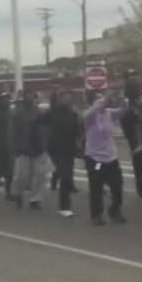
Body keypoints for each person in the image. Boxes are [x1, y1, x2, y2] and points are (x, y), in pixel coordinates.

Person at [83, 88, 128, 226]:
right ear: (92, 102)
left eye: (102, 97)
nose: (103, 101)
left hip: (111, 157)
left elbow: (122, 111)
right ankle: (96, 215)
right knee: (96, 186)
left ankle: (114, 210)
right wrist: (104, 100)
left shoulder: (109, 113)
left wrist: (123, 99)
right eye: (98, 98)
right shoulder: (90, 115)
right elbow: (88, 114)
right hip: (95, 159)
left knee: (117, 185)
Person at [45, 88, 83, 218]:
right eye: (65, 96)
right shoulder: (52, 112)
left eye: (69, 96)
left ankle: (56, 179)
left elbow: (77, 129)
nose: (68, 99)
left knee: (67, 175)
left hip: (69, 148)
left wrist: (79, 141)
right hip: (56, 148)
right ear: (59, 98)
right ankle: (64, 206)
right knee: (66, 175)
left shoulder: (72, 113)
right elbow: (38, 122)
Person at [9, 89, 48, 209]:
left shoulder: (39, 111)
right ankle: (17, 194)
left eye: (32, 95)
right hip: (23, 148)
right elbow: (13, 131)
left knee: (39, 175)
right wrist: (13, 147)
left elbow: (45, 126)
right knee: (21, 175)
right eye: (28, 95)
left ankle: (35, 199)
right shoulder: (18, 112)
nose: (31, 98)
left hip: (38, 147)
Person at [121, 77, 142, 199]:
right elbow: (128, 125)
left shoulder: (139, 107)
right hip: (137, 142)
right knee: (139, 167)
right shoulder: (130, 110)